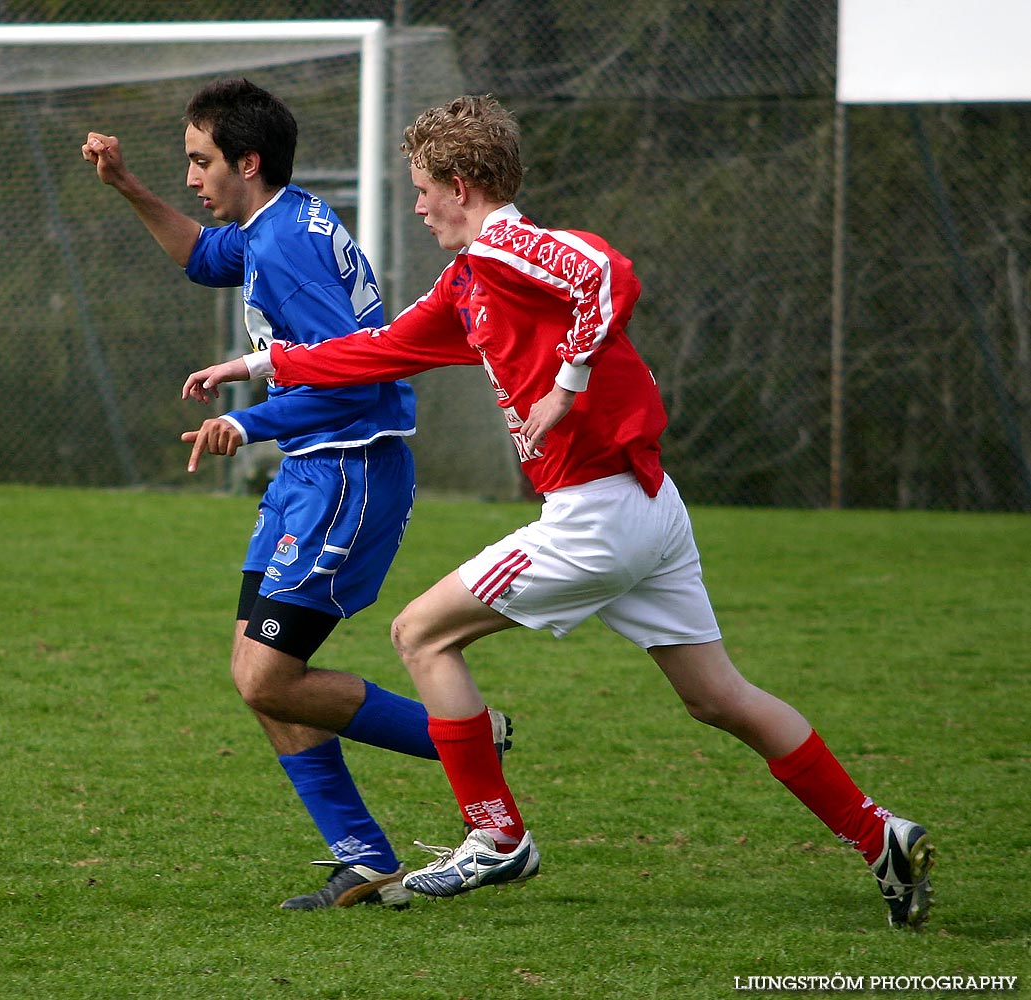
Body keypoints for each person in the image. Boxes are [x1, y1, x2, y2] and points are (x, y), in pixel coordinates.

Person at [182, 94, 935, 928]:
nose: (417, 202)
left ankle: (495, 837)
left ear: (461, 185)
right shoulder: (467, 280)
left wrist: (568, 386)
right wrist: (255, 365)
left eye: (424, 188)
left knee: (420, 634)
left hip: (596, 517)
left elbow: (608, 272)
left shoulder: (508, 247)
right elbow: (379, 349)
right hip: (650, 509)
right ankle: (881, 834)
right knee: (720, 698)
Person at [82, 78, 513, 910]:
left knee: (265, 676)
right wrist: (126, 186)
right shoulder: (274, 222)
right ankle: (363, 857)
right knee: (258, 671)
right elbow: (207, 261)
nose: (191, 177)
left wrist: (247, 425)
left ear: (246, 161)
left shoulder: (287, 247)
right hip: (310, 476)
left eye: (199, 161)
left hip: (346, 471)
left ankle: (467, 738)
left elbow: (355, 378)